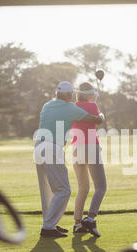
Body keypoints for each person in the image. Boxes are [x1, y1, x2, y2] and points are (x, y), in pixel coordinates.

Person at [34, 81, 103, 238]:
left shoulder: (47, 105)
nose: (72, 95)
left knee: (48, 190)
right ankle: (48, 227)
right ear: (67, 94)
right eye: (71, 94)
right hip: (52, 147)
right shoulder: (70, 108)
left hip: (38, 146)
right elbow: (95, 120)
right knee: (64, 190)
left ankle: (50, 224)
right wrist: (101, 115)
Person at [71, 82, 107, 237]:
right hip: (90, 146)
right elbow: (99, 121)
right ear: (89, 94)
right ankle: (90, 218)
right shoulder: (92, 106)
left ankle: (78, 224)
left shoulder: (72, 107)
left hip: (76, 148)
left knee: (83, 188)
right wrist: (101, 114)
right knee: (101, 187)